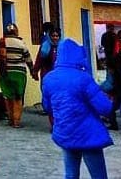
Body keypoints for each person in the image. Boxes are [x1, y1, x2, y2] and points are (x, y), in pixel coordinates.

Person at [41, 38, 113, 179]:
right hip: (88, 134)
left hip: (65, 132)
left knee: (71, 174)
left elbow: (47, 106)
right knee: (99, 176)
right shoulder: (83, 78)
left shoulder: (49, 78)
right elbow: (105, 108)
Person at [0, 23, 33, 128]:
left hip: (5, 73)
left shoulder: (1, 42)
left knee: (8, 97)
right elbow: (28, 59)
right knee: (18, 97)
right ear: (16, 32)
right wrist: (32, 71)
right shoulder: (21, 44)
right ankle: (16, 121)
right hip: (19, 74)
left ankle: (10, 119)